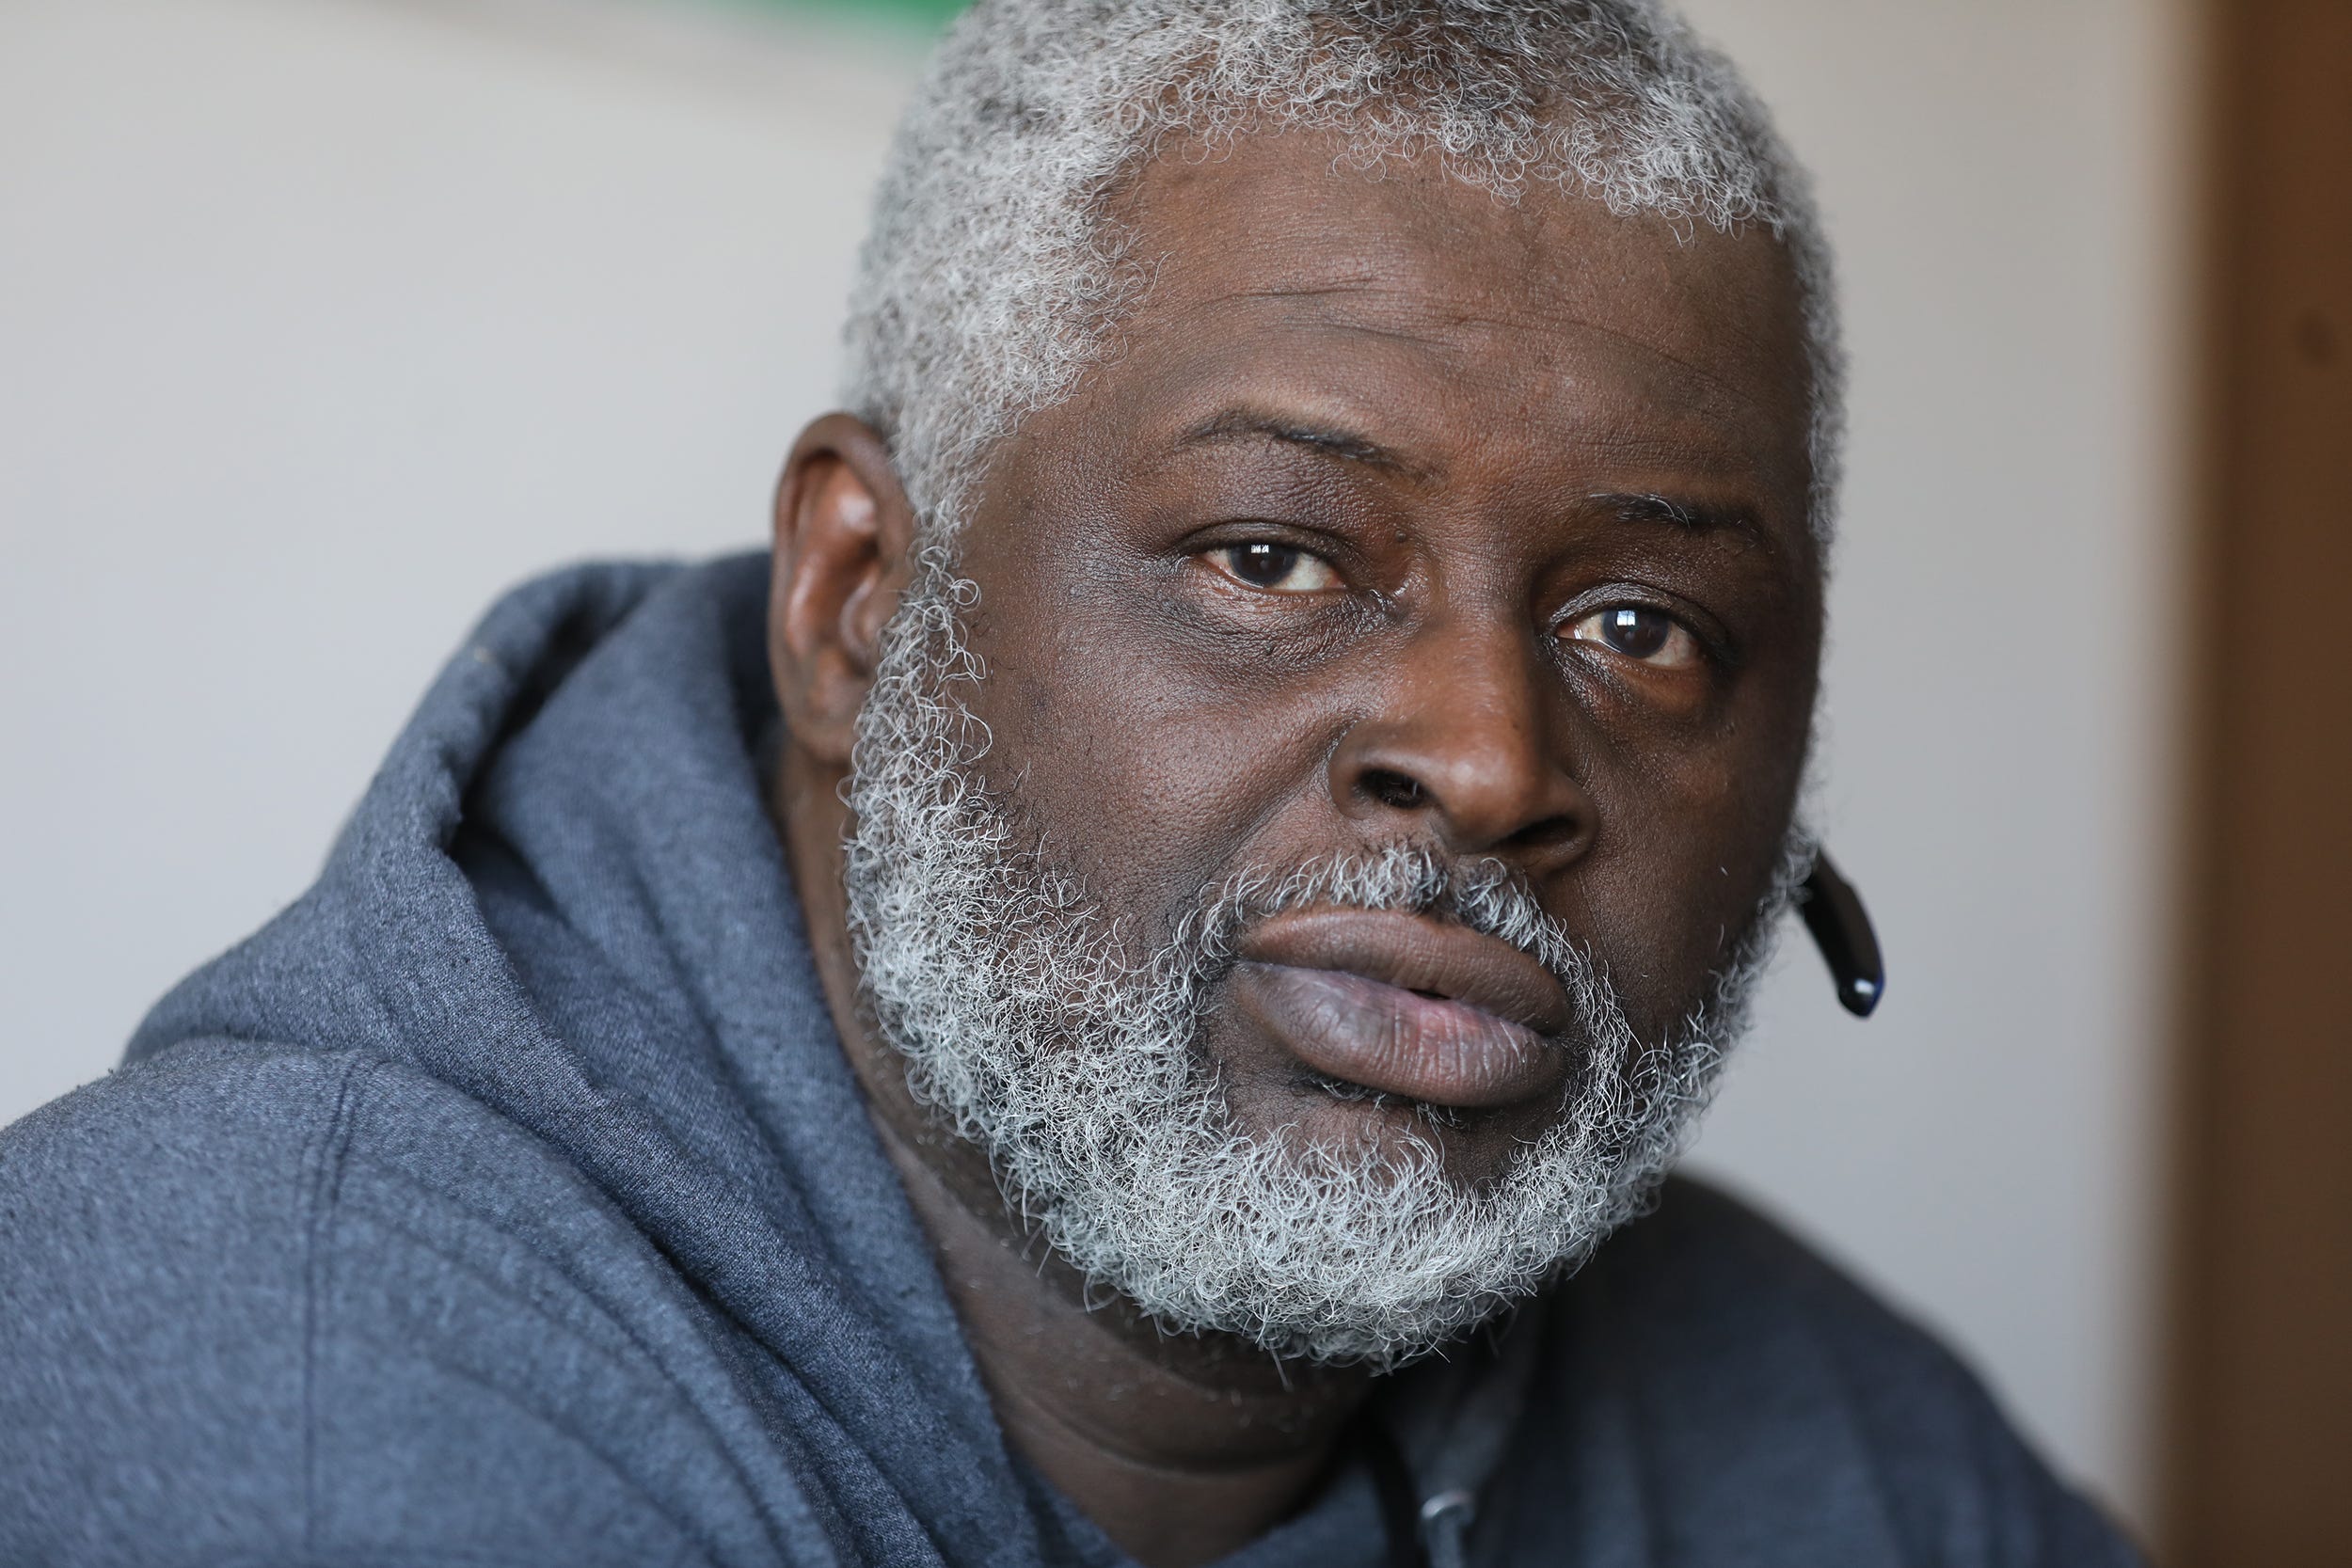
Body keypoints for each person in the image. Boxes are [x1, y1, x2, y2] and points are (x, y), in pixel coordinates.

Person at [0, 3, 2142, 1564]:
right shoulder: (290, 1384)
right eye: (1271, 557)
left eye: (1640, 628)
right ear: (859, 602)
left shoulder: (1841, 1447)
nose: (1490, 763)